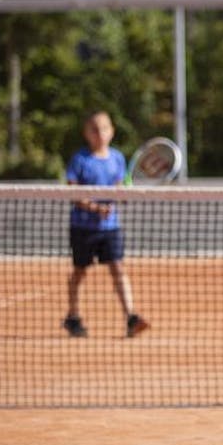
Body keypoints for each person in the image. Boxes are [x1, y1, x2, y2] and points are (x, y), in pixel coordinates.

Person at [62, 111, 150, 339]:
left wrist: (121, 197)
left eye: (103, 128)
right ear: (86, 133)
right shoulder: (79, 160)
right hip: (82, 227)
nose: (99, 134)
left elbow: (119, 188)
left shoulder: (117, 158)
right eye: (94, 129)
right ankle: (73, 317)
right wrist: (95, 208)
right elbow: (71, 192)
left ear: (111, 131)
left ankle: (131, 317)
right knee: (80, 272)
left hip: (110, 228)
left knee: (118, 268)